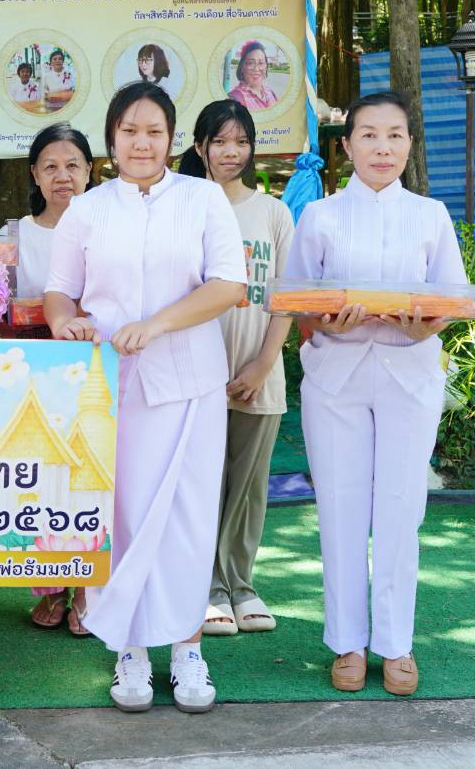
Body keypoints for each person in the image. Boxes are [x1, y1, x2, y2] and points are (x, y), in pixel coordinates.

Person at [44, 80, 246, 714]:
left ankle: (188, 649)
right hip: (111, 388)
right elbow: (59, 290)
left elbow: (229, 286)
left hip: (189, 383)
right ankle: (128, 652)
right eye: (129, 130)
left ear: (172, 139)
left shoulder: (203, 198)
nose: (141, 141)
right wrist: (64, 323)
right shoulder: (88, 209)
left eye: (153, 131)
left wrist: (157, 325)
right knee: (123, 516)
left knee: (186, 518)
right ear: (111, 139)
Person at [283, 91, 467, 698]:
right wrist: (324, 323)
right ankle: (346, 643)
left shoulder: (431, 214)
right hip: (336, 374)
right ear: (347, 145)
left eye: (394, 135)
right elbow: (300, 305)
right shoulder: (321, 216)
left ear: (410, 145)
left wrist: (426, 325)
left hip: (409, 372)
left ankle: (396, 644)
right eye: (368, 135)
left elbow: (451, 297)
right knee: (339, 508)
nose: (382, 147)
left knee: (400, 507)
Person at [177, 100, 294, 639]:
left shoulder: (272, 212)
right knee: (201, 482)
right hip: (194, 371)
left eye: (241, 142)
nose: (231, 152)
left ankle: (240, 585)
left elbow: (285, 298)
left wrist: (264, 363)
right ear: (199, 146)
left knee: (248, 487)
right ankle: (203, 587)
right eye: (219, 142)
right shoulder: (183, 205)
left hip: (257, 370)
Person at [0, 123, 95, 634]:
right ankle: (52, 585)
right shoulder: (14, 236)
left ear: (90, 171)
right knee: (45, 483)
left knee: (91, 478)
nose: (63, 176)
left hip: (98, 372)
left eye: (73, 165)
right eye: (51, 166)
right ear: (34, 173)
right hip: (33, 377)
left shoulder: (112, 228)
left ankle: (87, 589)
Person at [227, 42, 279, 110]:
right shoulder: (235, 98)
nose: (256, 69)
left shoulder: (270, 92)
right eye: (250, 63)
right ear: (242, 67)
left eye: (261, 63)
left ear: (266, 66)